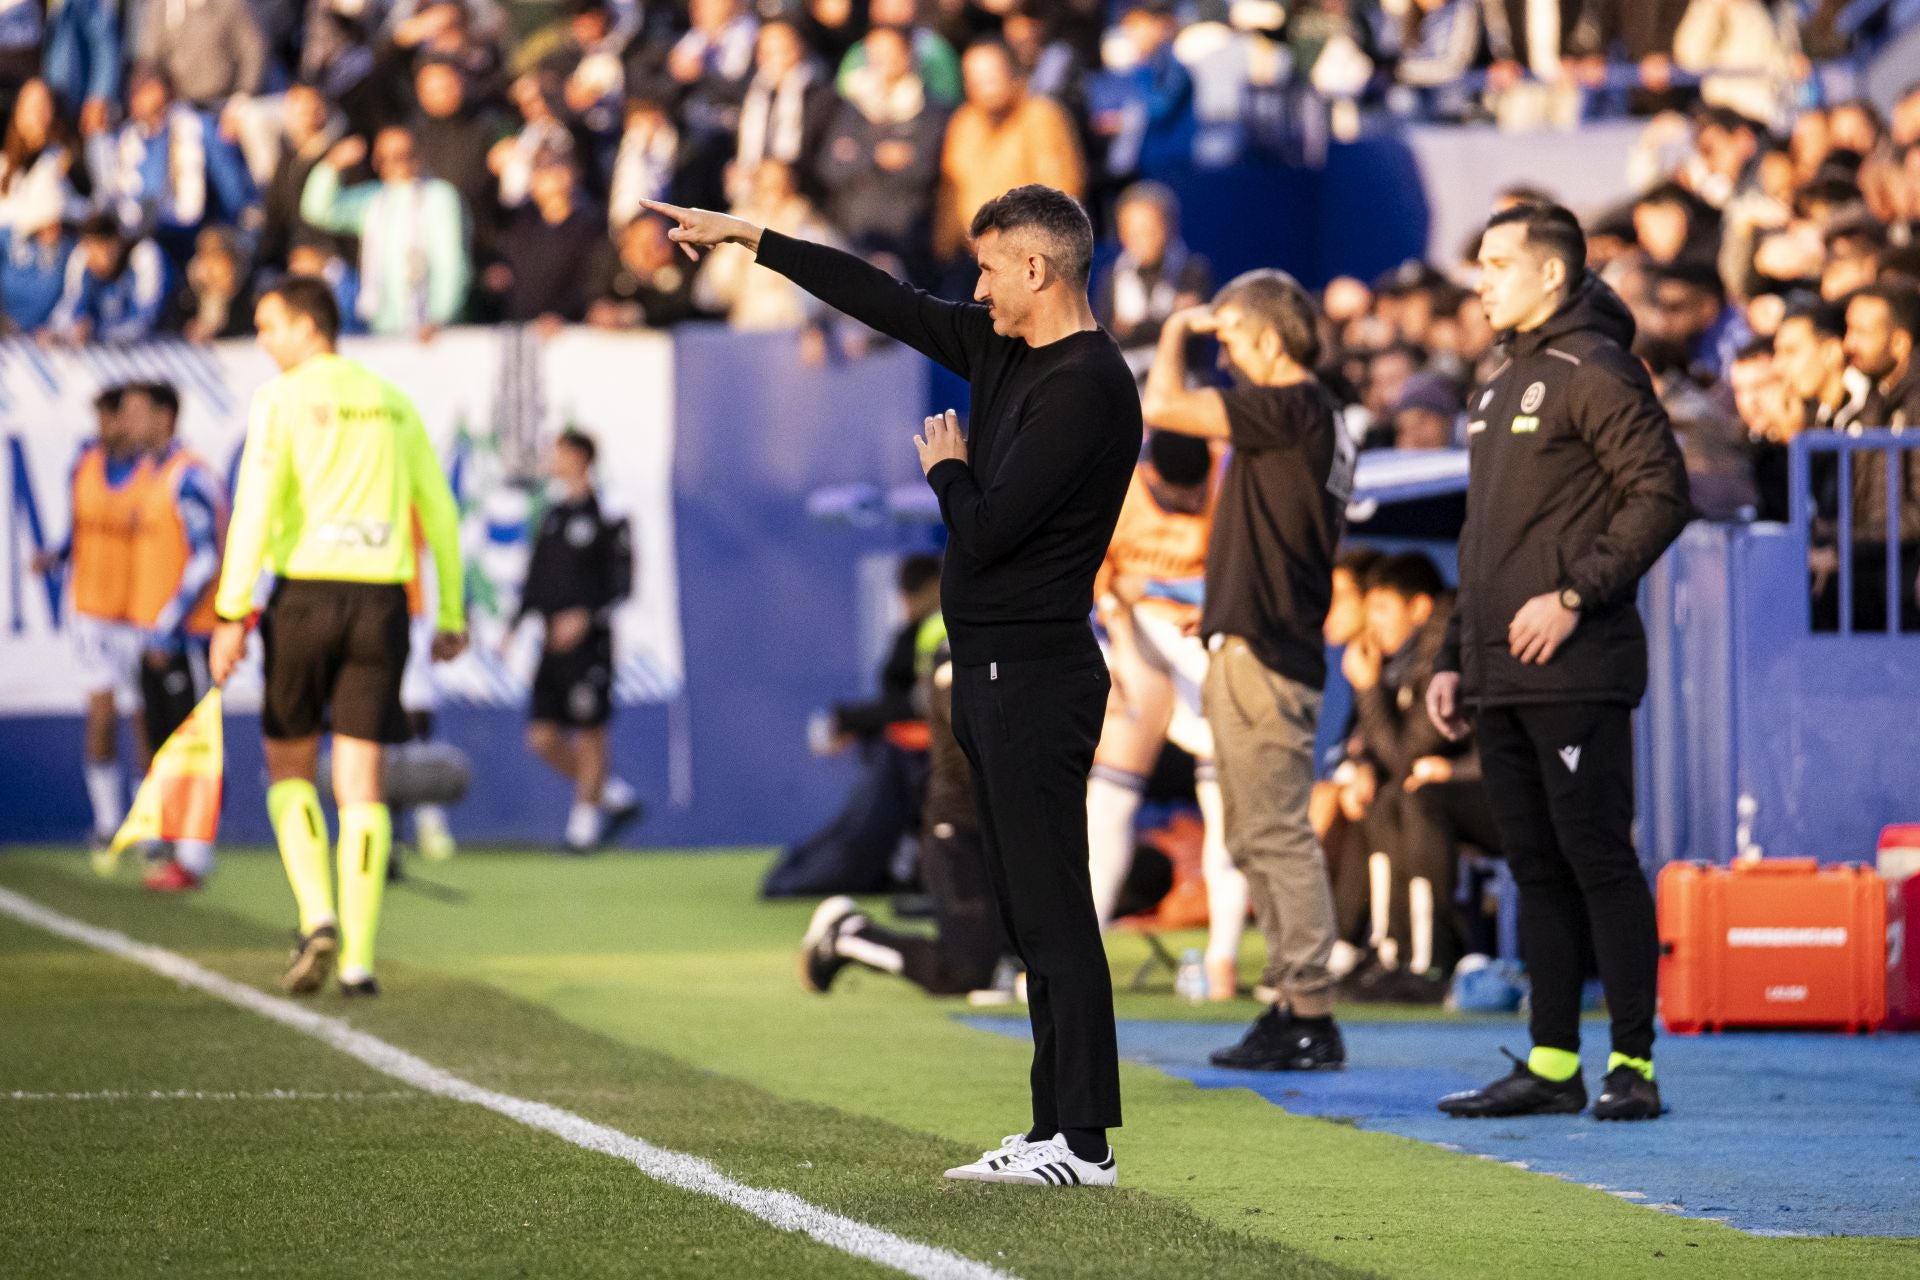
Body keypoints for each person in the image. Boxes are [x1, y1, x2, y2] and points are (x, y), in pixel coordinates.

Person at [642, 181, 1138, 1188]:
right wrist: (752, 238)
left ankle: (1084, 1142)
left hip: (1036, 675)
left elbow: (990, 529)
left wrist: (947, 468)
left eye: (991, 270)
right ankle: (1052, 1128)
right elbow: (881, 297)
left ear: (1037, 268)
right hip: (991, 673)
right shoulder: (1004, 347)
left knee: (1053, 912)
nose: (978, 291)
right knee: (1026, 912)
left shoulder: (1088, 385)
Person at [1428, 202, 1690, 1122]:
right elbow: (1483, 539)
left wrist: (1574, 596)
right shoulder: (1498, 381)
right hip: (1499, 673)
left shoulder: (1599, 369)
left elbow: (1662, 493)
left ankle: (1633, 1064)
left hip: (1577, 668)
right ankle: (1550, 1064)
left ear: (1551, 273)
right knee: (1533, 869)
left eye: (1497, 264)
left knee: (1597, 860)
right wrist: (1453, 655)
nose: (1481, 281)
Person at [209, 276, 467, 998]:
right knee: (361, 785)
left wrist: (231, 611)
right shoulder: (392, 402)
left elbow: (255, 507)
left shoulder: (282, 399)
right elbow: (439, 512)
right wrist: (451, 613)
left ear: (309, 325)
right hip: (381, 604)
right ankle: (359, 961)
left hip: (305, 598)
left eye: (270, 325)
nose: (264, 340)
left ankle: (317, 915)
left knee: (290, 769)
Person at [1142, 271, 1357, 1072]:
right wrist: (1222, 606)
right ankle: (1290, 1003)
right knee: (1250, 832)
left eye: (1230, 340)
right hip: (1257, 639)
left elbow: (1164, 407)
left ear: (1269, 339)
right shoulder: (1307, 416)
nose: (1225, 358)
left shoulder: (1292, 405)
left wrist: (1175, 332)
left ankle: (1311, 1014)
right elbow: (1282, 532)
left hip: (1265, 653)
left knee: (1274, 832)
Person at [1086, 429, 1247, 1002]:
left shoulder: (1230, 477)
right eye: (1177, 498)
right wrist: (1119, 648)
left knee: (1227, 804)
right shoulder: (1117, 486)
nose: (1189, 507)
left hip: (1212, 645)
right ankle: (1080, 953)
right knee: (1109, 798)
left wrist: (1152, 586)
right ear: (1151, 476)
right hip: (1139, 641)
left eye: (1196, 495)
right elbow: (1099, 579)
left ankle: (1223, 958)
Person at [799, 617, 1013, 998]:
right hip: (961, 835)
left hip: (1003, 830)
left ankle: (1008, 962)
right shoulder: (955, 667)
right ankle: (848, 935)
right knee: (964, 972)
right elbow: (978, 735)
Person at [1343, 551, 1495, 1000]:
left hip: (1501, 793)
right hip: (1457, 787)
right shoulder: (1407, 657)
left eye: (1382, 608)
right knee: (1383, 797)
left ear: (1420, 608)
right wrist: (1362, 766)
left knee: (1415, 797)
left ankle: (1429, 963)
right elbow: (1384, 750)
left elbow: (1408, 753)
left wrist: (1367, 688)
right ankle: (1389, 952)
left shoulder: (1445, 647)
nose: (1372, 622)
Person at [763, 553, 942, 898]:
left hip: (932, 757)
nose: (905, 601)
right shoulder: (912, 633)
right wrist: (854, 725)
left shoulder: (940, 629)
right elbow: (905, 702)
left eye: (911, 592)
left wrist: (849, 720)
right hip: (906, 755)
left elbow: (923, 704)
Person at [510, 429, 642, 853]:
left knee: (589, 732)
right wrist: (514, 626)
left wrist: (585, 615)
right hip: (550, 645)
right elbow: (536, 578)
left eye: (559, 452)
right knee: (541, 737)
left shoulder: (608, 513)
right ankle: (612, 796)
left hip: (590, 646)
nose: (551, 459)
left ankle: (582, 828)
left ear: (581, 458)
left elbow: (623, 583)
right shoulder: (552, 516)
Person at [120, 381, 226, 891]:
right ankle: (171, 842)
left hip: (190, 638)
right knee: (165, 741)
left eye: (137, 412)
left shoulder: (189, 477)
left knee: (193, 745)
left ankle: (194, 854)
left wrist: (167, 624)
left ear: (165, 416)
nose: (128, 423)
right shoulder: (150, 474)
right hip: (156, 636)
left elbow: (205, 557)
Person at [32, 386, 146, 849]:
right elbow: (75, 531)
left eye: (108, 418)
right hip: (91, 611)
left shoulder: (152, 472)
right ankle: (107, 822)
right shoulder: (84, 466)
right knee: (101, 714)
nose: (102, 427)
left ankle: (146, 826)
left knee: (143, 719)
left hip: (139, 613)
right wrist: (56, 556)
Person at [300, 125, 471, 339]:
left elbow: (451, 263)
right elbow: (318, 210)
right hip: (382, 326)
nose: (397, 163)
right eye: (386, 157)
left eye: (405, 154)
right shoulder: (375, 200)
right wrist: (332, 165)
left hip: (431, 329)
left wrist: (440, 316)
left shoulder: (440, 196)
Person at [44, 212, 171, 343]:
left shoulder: (145, 255)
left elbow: (143, 322)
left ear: (116, 244)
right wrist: (56, 330)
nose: (92, 258)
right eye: (89, 248)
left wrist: (94, 332)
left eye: (99, 249)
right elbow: (71, 301)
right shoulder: (84, 255)